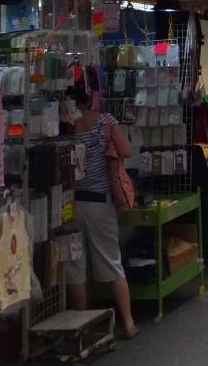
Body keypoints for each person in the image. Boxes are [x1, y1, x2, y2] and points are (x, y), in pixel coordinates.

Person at [64, 85, 137, 337]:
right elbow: (127, 150)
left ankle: (83, 327)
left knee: (76, 268)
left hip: (69, 205)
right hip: (99, 203)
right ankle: (128, 322)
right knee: (112, 263)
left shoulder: (66, 128)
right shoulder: (105, 121)